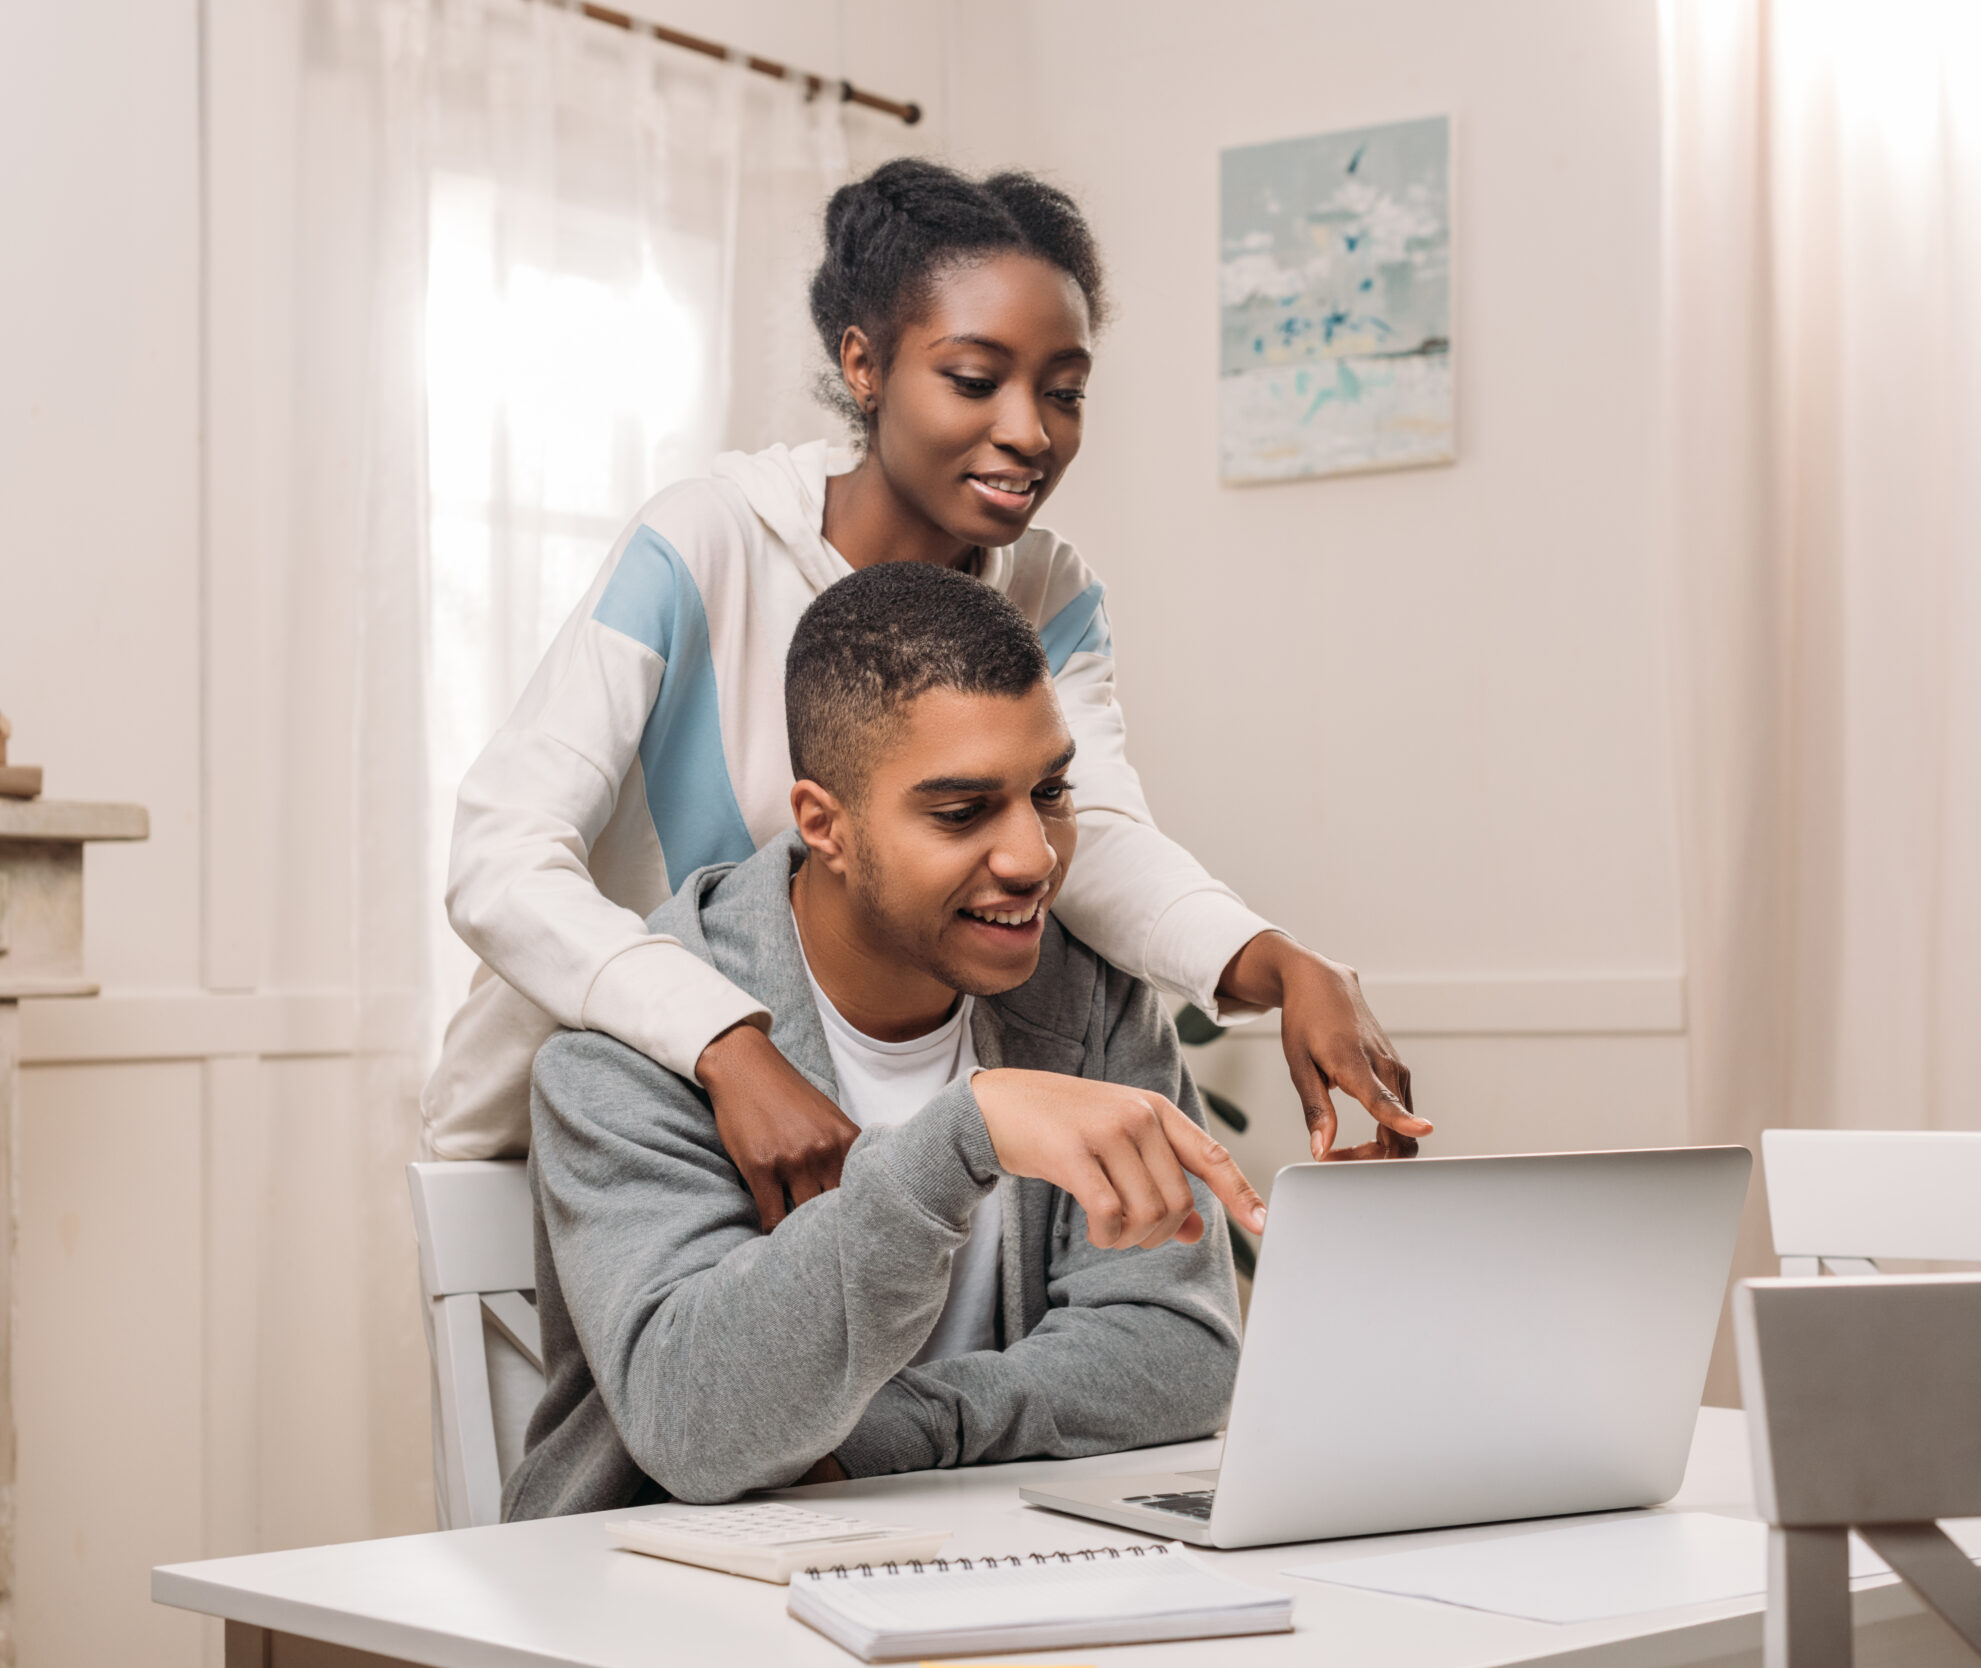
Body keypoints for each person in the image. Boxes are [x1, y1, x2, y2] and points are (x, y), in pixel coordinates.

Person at [425, 158, 1430, 1221]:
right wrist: (720, 1036)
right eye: (973, 378)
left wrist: (1269, 957)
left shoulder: (1049, 589)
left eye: (1063, 390)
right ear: (864, 364)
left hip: (828, 1144)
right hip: (588, 1132)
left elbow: (1088, 830)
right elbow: (501, 856)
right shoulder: (703, 542)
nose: (1031, 431)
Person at [505, 564, 1257, 1517]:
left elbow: (1176, 1352)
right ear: (826, 824)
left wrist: (901, 1432)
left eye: (1051, 791)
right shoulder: (627, 1050)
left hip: (994, 1570)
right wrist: (962, 1138)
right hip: (669, 1601)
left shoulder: (1090, 1000)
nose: (1032, 857)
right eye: (960, 811)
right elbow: (696, 1427)